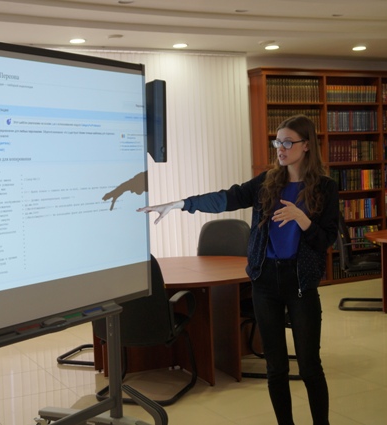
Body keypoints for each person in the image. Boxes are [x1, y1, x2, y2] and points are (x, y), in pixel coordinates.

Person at [138, 114, 338, 425]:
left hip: (301, 283)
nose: (280, 148)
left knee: (310, 366)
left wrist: (303, 219)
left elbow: (326, 239)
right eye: (278, 142)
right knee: (276, 367)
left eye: (288, 142)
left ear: (307, 145)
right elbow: (226, 198)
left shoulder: (325, 188)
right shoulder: (267, 182)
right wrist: (180, 204)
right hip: (264, 282)